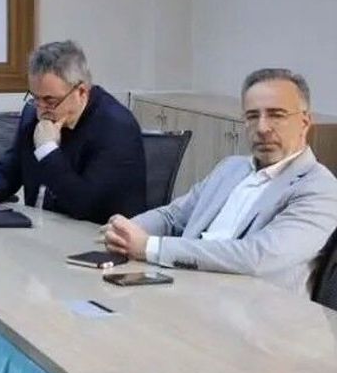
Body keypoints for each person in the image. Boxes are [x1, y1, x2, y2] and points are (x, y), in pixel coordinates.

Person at [104, 69, 337, 295]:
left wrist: (150, 247)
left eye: (277, 115)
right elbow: (172, 216)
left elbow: (257, 257)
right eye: (252, 116)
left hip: (252, 310)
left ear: (305, 122)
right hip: (183, 288)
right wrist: (124, 232)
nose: (262, 128)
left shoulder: (320, 189)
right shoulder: (231, 168)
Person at [0, 40, 145, 224]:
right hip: (40, 230)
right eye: (35, 98)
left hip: (98, 235)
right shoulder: (33, 113)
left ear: (81, 92)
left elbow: (85, 205)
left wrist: (47, 150)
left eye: (50, 101)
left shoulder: (116, 128)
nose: (41, 110)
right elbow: (10, 170)